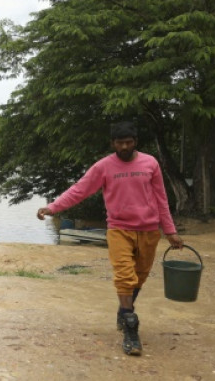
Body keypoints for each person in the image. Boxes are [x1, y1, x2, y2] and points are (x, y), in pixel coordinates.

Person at [36, 121, 183, 356]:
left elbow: (161, 199)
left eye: (128, 142)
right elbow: (79, 190)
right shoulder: (104, 167)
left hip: (149, 230)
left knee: (139, 278)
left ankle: (124, 311)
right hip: (119, 230)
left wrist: (170, 231)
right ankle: (130, 328)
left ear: (135, 142)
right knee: (124, 276)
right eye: (119, 142)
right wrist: (53, 207)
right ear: (113, 143)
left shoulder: (150, 163)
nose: (124, 146)